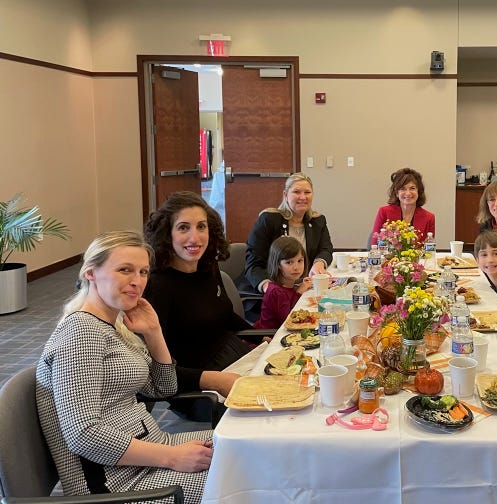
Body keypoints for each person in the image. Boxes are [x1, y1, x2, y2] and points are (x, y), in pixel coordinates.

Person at [36, 231, 212, 503]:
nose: (137, 281)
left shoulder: (113, 327)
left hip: (152, 451)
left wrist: (154, 333)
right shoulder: (81, 331)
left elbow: (163, 389)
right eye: (124, 270)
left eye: (143, 272)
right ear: (90, 273)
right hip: (116, 484)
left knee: (252, 445)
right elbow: (83, 434)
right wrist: (173, 457)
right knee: (251, 473)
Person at [143, 191, 250, 400]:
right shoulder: (158, 285)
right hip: (198, 387)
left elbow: (226, 315)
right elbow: (155, 368)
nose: (195, 237)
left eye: (201, 226)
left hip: (234, 359)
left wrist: (265, 336)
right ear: (167, 233)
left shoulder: (207, 266)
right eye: (183, 228)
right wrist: (214, 380)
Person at [243, 173, 333, 293]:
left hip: (303, 287)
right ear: (285, 195)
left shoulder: (318, 220)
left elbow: (326, 248)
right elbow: (253, 263)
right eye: (296, 192)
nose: (303, 197)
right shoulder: (269, 220)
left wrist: (319, 263)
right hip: (271, 292)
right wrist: (269, 288)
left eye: (307, 192)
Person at [253, 236, 313, 330]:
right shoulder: (276, 291)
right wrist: (299, 292)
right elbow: (290, 319)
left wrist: (299, 287)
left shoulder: (289, 284)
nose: (296, 267)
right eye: (289, 262)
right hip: (270, 337)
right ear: (278, 265)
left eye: (300, 261)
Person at [370, 167, 435, 245]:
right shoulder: (384, 212)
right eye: (403, 189)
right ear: (397, 193)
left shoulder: (429, 218)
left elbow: (429, 249)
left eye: (412, 188)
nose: (408, 193)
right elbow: (374, 244)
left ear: (419, 191)